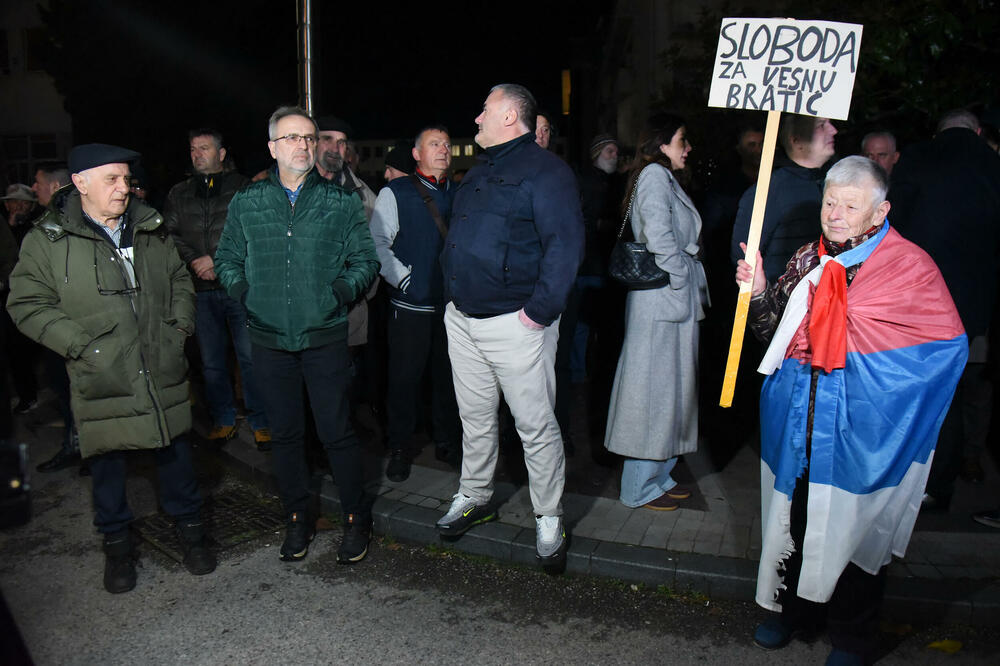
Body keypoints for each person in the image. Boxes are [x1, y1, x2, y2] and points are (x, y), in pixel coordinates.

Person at [736, 156, 967, 663]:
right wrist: (756, 293)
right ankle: (795, 615)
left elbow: (946, 347)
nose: (835, 214)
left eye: (849, 205)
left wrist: (872, 377)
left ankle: (853, 637)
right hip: (800, 427)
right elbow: (770, 336)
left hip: (864, 433)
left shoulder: (909, 268)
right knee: (795, 524)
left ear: (880, 210)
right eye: (829, 202)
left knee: (856, 535)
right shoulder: (806, 259)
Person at [7, 143, 216, 593]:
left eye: (126, 179)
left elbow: (180, 279)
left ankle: (192, 534)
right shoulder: (47, 240)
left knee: (176, 456)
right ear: (79, 183)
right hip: (101, 376)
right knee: (107, 468)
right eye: (112, 180)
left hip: (161, 368)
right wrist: (81, 346)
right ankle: (118, 550)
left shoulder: (150, 227)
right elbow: (26, 304)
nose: (124, 188)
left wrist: (178, 327)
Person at [215, 106, 379, 565]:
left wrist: (338, 294)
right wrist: (247, 294)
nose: (303, 145)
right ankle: (297, 519)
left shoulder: (340, 201)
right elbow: (226, 258)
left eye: (308, 137)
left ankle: (354, 519)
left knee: (336, 432)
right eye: (292, 138)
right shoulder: (248, 202)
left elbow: (365, 262)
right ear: (272, 148)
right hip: (268, 340)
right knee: (285, 435)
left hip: (324, 335)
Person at [437, 84, 584, 566]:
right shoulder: (479, 172)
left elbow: (564, 246)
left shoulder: (547, 172)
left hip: (515, 325)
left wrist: (537, 314)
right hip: (463, 321)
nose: (476, 117)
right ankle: (475, 497)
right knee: (475, 418)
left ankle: (548, 515)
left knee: (535, 425)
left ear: (509, 117)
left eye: (484, 109)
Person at [889, 109, 1000, 508]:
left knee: (908, 388)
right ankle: (940, 485)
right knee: (949, 392)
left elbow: (893, 224)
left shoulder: (917, 158)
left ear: (938, 131)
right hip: (970, 306)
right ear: (978, 131)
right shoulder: (993, 165)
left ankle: (901, 477)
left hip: (914, 299)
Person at [603, 114, 709, 511]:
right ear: (663, 144)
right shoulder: (654, 177)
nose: (688, 147)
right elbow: (657, 235)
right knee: (651, 395)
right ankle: (638, 487)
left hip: (669, 301)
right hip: (661, 301)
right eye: (683, 139)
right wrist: (681, 278)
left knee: (670, 394)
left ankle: (659, 476)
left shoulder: (663, 178)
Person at [164, 128, 270, 449]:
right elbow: (168, 234)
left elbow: (253, 230)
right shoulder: (178, 194)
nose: (198, 154)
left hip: (238, 287)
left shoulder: (243, 188)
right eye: (193, 149)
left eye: (205, 148)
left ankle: (261, 421)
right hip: (199, 289)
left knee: (250, 358)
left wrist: (216, 259)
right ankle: (224, 420)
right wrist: (196, 259)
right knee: (211, 362)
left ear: (221, 154)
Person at [370, 125, 462, 483]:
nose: (443, 149)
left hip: (452, 309)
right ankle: (399, 447)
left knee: (448, 379)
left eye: (447, 144)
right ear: (416, 154)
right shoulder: (396, 193)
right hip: (410, 308)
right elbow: (377, 243)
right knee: (404, 381)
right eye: (434, 144)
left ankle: (447, 442)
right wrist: (405, 280)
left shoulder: (460, 193)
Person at [27, 164, 85, 474]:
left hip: (68, 324)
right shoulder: (46, 224)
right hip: (56, 324)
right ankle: (77, 445)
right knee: (65, 392)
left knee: (76, 391)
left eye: (37, 183)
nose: (33, 188)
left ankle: (87, 450)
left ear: (53, 186)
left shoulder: (65, 224)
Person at [731, 115, 837, 281]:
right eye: (821, 125)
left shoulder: (838, 182)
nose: (833, 130)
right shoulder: (768, 191)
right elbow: (744, 258)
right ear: (796, 140)